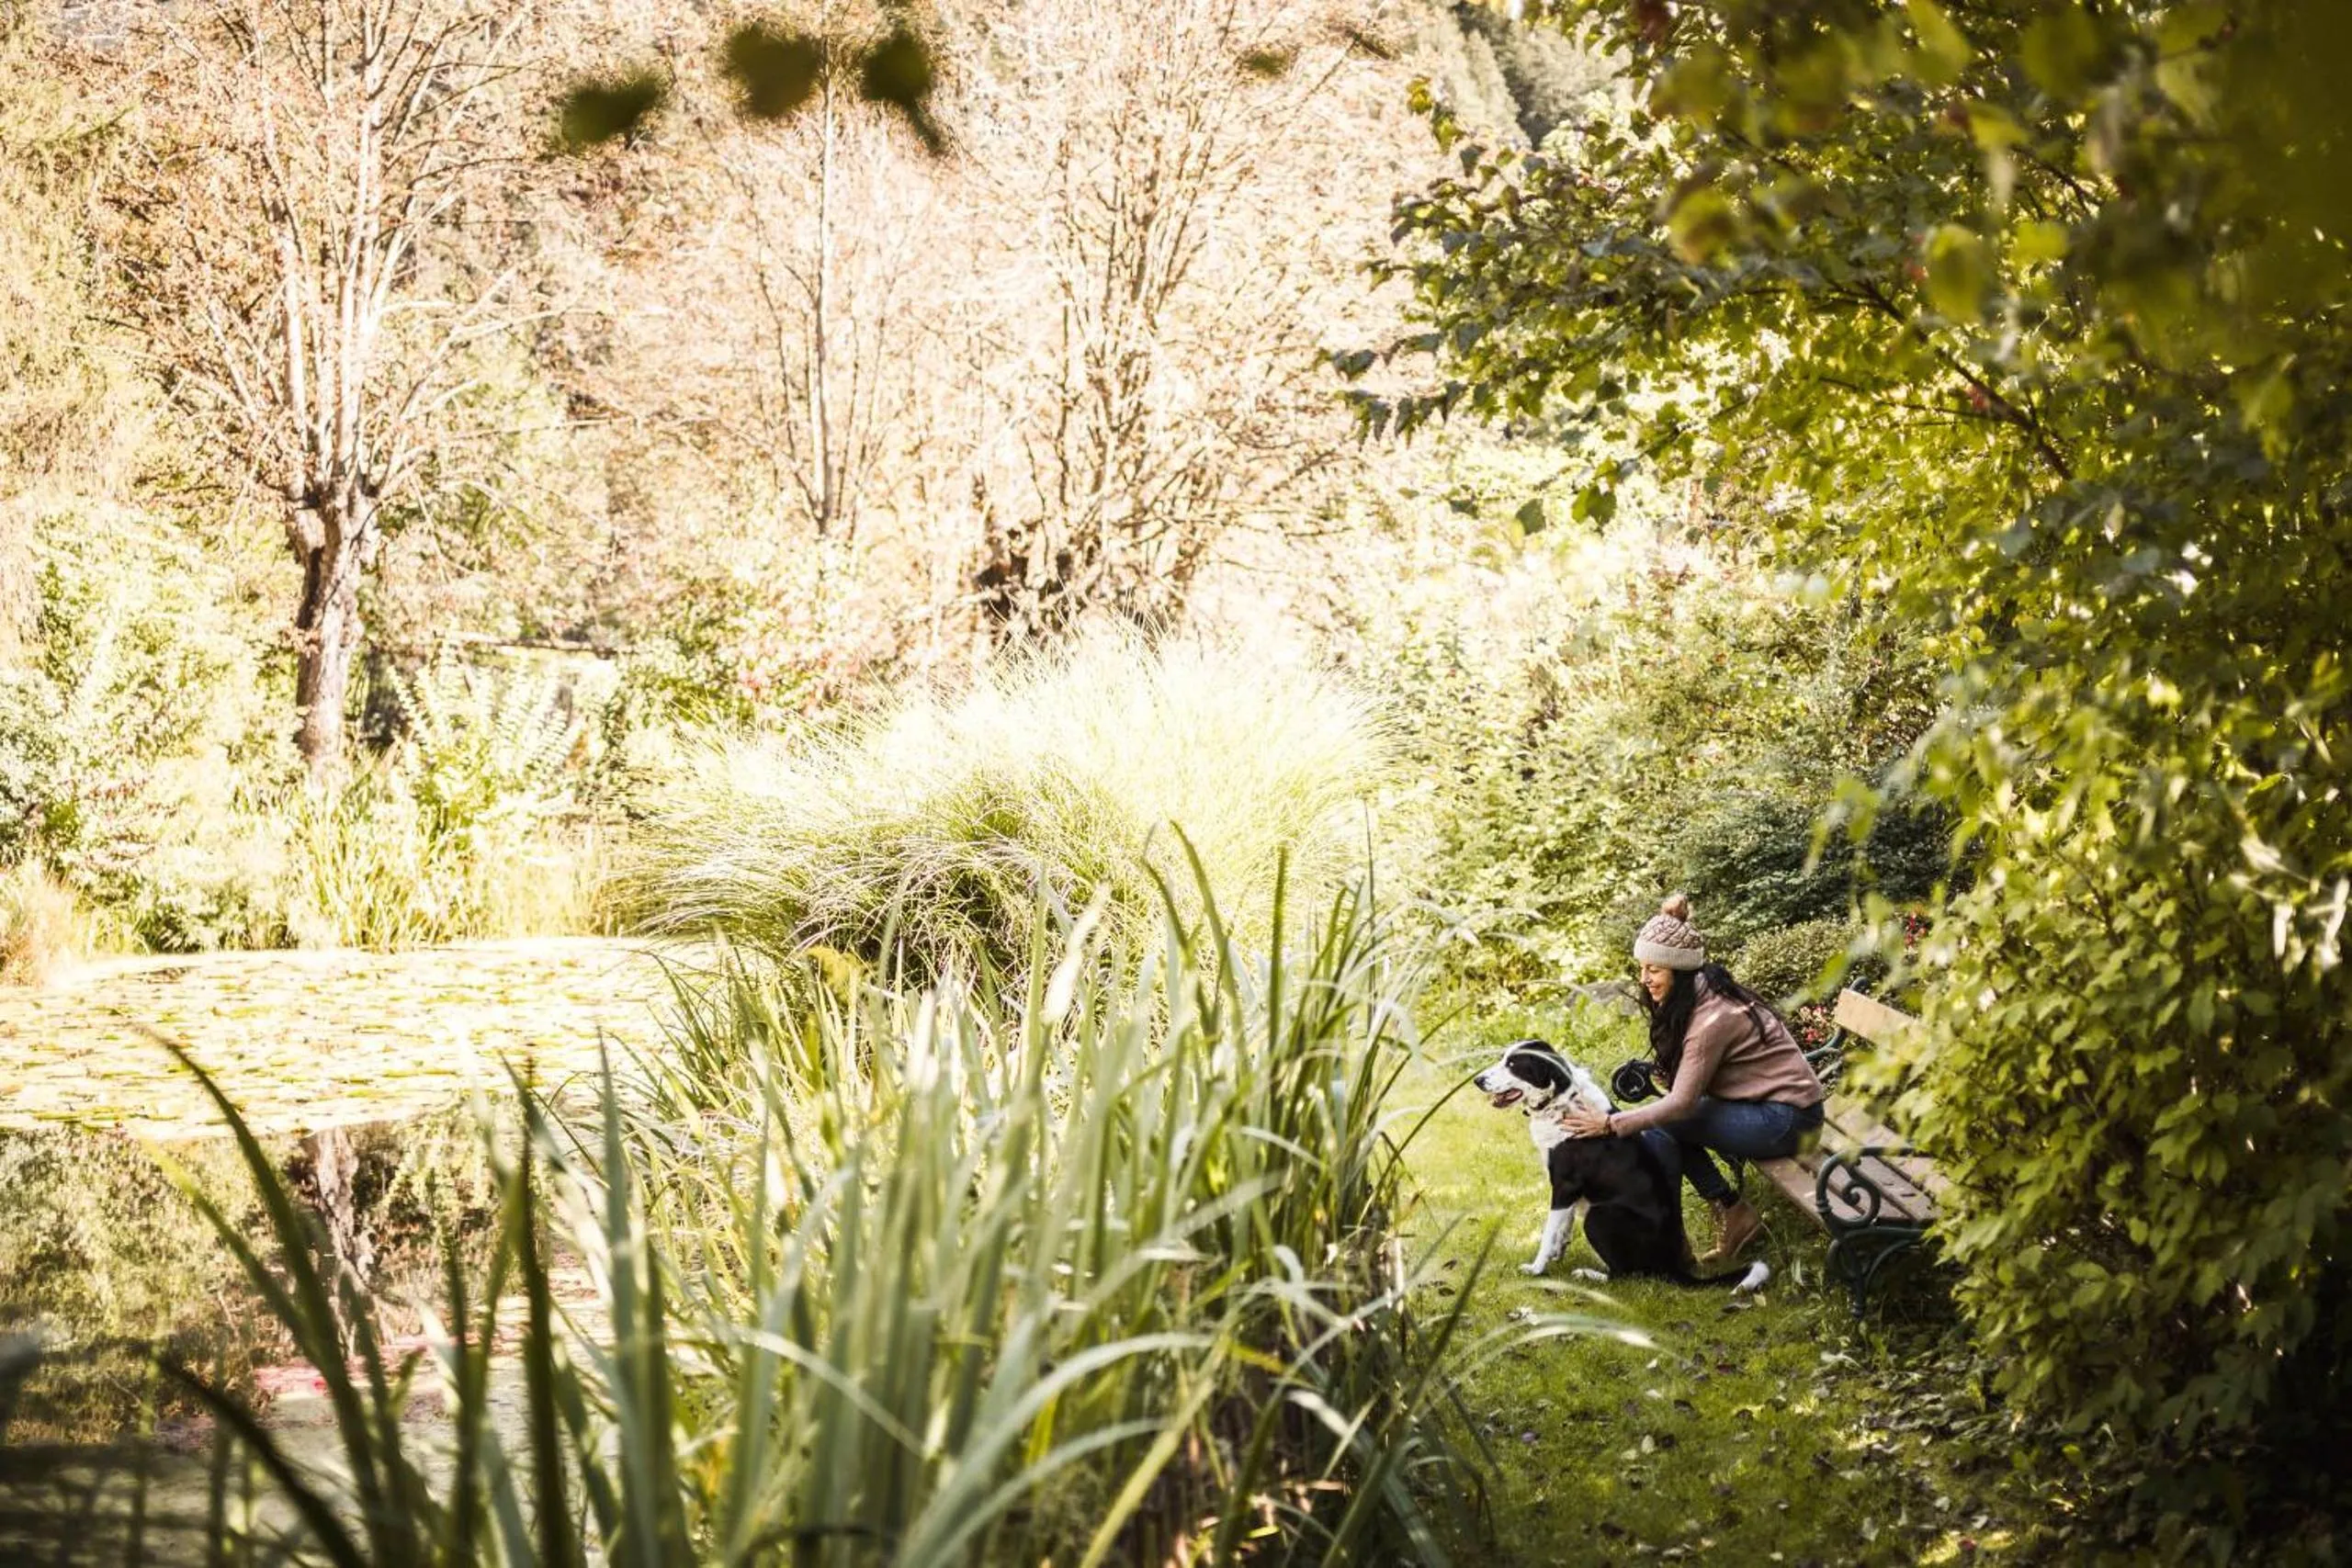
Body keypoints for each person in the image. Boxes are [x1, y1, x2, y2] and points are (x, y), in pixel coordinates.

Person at [1556, 895, 1825, 1263]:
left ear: (1680, 971)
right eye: (1642, 967)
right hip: (1770, 1108)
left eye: (1654, 970)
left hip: (1788, 1121)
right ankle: (1726, 1215)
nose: (1644, 979)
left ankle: (1683, 1239)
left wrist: (1610, 1124)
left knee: (1666, 1126)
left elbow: (1681, 1103)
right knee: (1667, 1125)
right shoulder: (1701, 997)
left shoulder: (1712, 1019)